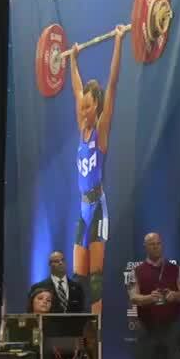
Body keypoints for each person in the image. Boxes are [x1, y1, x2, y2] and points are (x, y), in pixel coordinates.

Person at [66, 24, 130, 316]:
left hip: (98, 206)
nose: (82, 110)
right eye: (81, 107)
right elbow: (77, 88)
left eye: (87, 107)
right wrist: (73, 60)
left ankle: (97, 340)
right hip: (82, 207)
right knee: (78, 276)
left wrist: (118, 41)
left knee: (94, 278)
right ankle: (78, 334)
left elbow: (113, 84)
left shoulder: (100, 131)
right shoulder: (82, 127)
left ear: (97, 107)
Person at [127, 232, 180, 359]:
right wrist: (149, 298)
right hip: (147, 327)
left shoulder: (175, 269)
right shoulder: (137, 271)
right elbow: (133, 297)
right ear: (145, 247)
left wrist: (174, 295)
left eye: (158, 243)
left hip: (171, 327)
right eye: (152, 244)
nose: (156, 247)